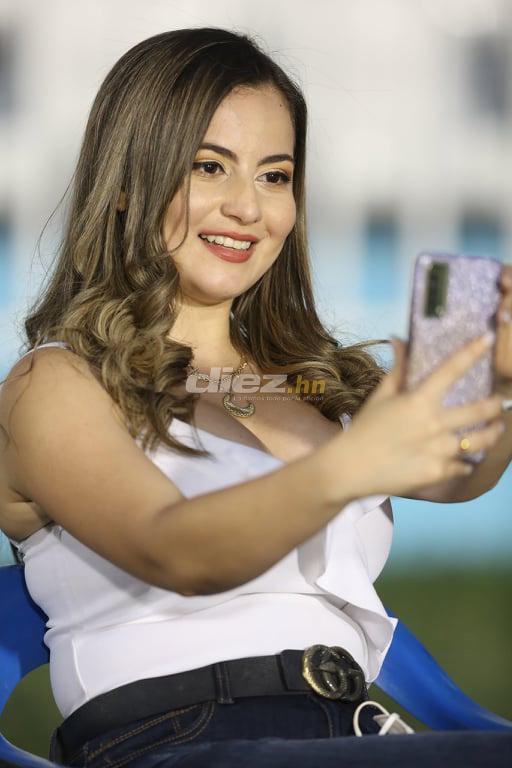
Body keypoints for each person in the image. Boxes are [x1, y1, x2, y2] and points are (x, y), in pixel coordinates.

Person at [0, 27, 511, 768]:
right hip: (177, 740)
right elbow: (173, 547)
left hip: (350, 730)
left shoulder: (303, 382)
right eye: (211, 167)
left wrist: (493, 389)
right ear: (123, 181)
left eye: (275, 176)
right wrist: (350, 466)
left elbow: (458, 469)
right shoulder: (55, 383)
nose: (248, 207)